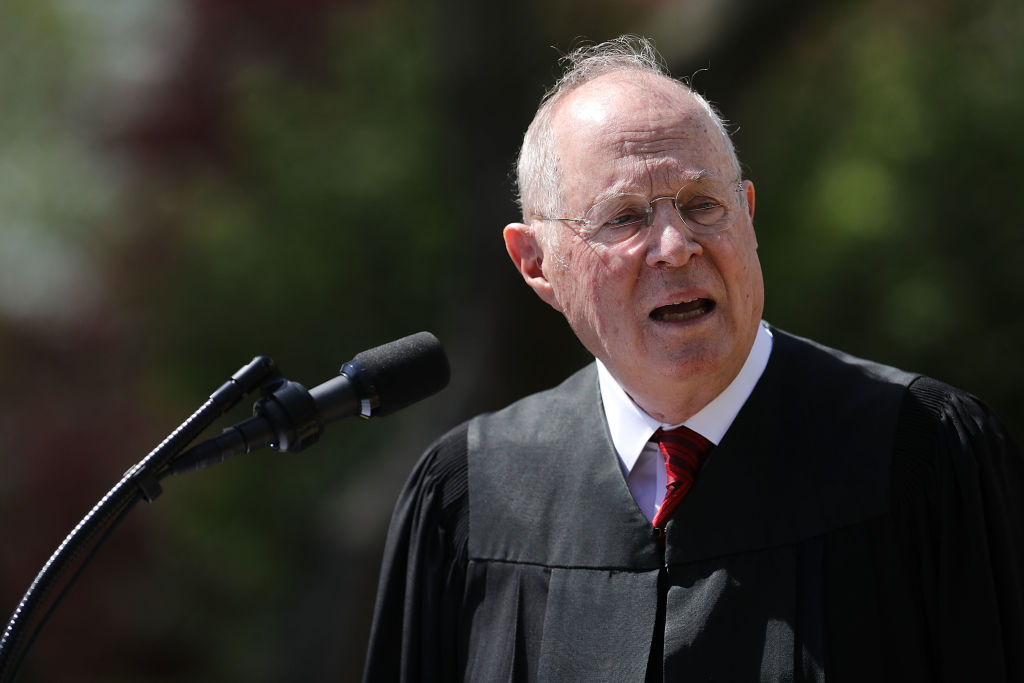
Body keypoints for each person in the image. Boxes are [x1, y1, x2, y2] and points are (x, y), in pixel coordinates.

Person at [362, 36, 1023, 682]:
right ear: (536, 263)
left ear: (748, 216)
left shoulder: (919, 452)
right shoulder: (473, 496)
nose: (676, 246)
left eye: (703, 205)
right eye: (624, 217)